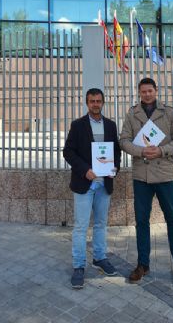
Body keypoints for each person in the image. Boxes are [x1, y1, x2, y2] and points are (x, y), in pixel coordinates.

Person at [119, 77, 173, 287]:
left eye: (150, 91)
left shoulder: (168, 112)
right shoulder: (132, 114)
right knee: (141, 221)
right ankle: (143, 264)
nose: (147, 95)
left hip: (164, 174)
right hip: (141, 175)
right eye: (143, 92)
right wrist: (141, 150)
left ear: (156, 91)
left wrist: (162, 150)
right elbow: (123, 140)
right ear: (139, 93)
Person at [63, 88, 121, 289]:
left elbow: (116, 152)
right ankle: (79, 266)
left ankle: (99, 258)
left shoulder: (111, 126)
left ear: (103, 103)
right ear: (87, 103)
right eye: (92, 101)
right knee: (80, 227)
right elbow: (68, 152)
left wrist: (115, 168)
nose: (95, 104)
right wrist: (84, 170)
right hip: (85, 183)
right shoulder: (78, 125)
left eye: (98, 101)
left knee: (101, 224)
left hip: (104, 184)